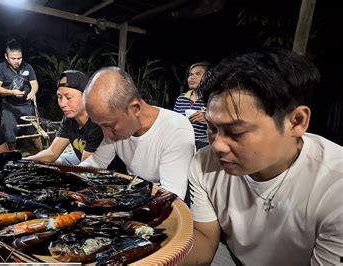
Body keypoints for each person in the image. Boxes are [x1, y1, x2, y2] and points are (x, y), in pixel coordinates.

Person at [182, 49, 343, 265]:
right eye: (212, 128)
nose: (218, 145)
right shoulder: (204, 163)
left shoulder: (335, 187)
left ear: (296, 121)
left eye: (236, 132)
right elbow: (205, 242)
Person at [79, 67, 195, 199]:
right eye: (100, 126)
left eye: (109, 125)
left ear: (135, 109)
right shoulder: (115, 128)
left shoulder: (176, 130)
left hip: (160, 202)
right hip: (134, 191)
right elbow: (96, 163)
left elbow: (171, 195)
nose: (107, 135)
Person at [27, 70, 103, 165]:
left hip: (105, 170)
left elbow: (86, 166)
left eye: (69, 97)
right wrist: (25, 161)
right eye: (59, 97)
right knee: (53, 162)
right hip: (82, 159)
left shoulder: (97, 122)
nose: (63, 104)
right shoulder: (69, 119)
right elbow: (52, 152)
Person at [0, 39, 42, 152]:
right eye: (13, 58)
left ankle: (42, 152)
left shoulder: (28, 67)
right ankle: (10, 157)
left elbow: (34, 84)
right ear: (6, 56)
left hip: (27, 105)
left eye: (19, 58)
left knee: (35, 131)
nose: (17, 61)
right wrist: (12, 92)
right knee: (9, 134)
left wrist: (33, 92)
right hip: (9, 106)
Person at [173, 61, 210, 150]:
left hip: (203, 143)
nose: (192, 77)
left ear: (207, 77)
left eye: (198, 74)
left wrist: (207, 118)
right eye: (191, 74)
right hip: (181, 141)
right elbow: (172, 121)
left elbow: (222, 123)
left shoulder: (211, 99)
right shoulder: (181, 99)